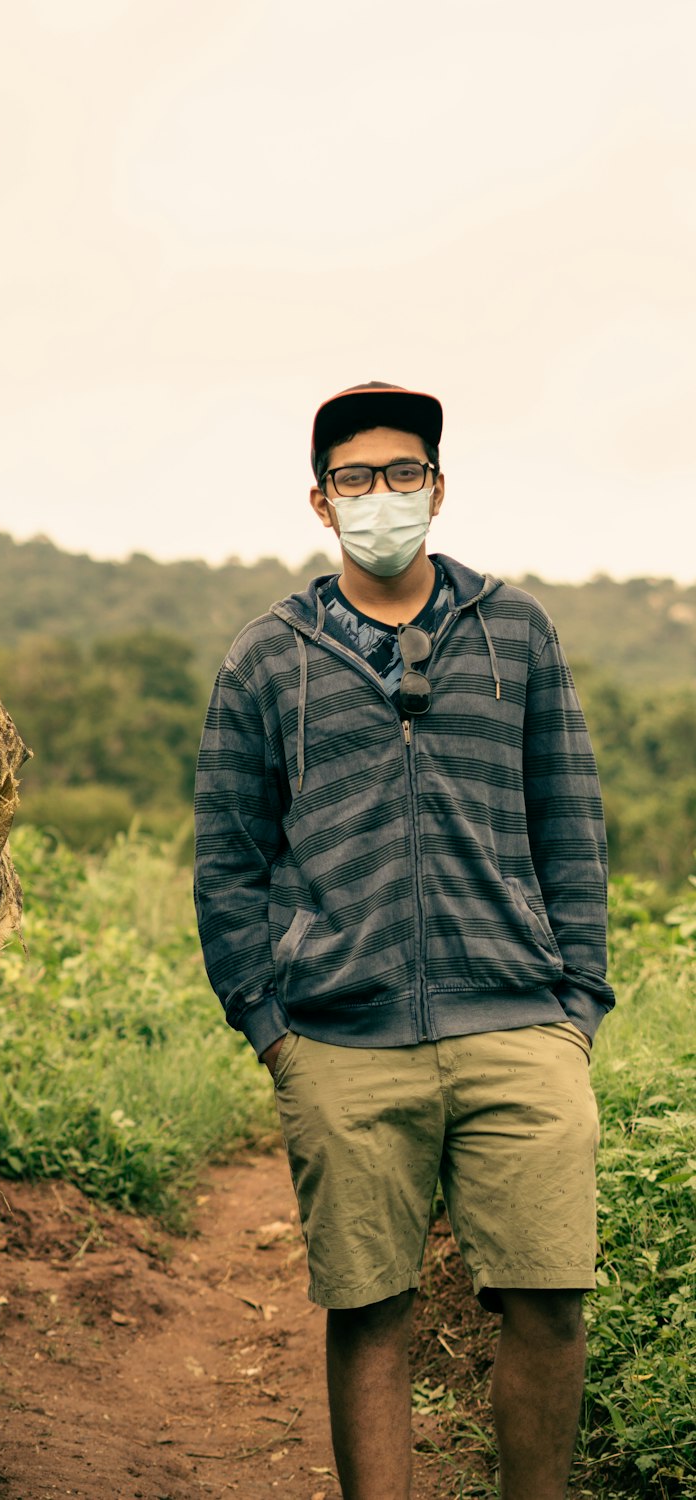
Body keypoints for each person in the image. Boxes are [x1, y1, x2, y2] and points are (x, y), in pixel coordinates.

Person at [193, 382, 613, 1500]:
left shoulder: (512, 633)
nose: (380, 496)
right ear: (321, 505)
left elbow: (569, 823)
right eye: (354, 479)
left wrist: (576, 1011)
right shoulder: (266, 657)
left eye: (400, 474)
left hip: (520, 1023)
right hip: (338, 1040)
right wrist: (271, 1027)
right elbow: (227, 858)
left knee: (550, 1300)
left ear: (437, 486)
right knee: (369, 1312)